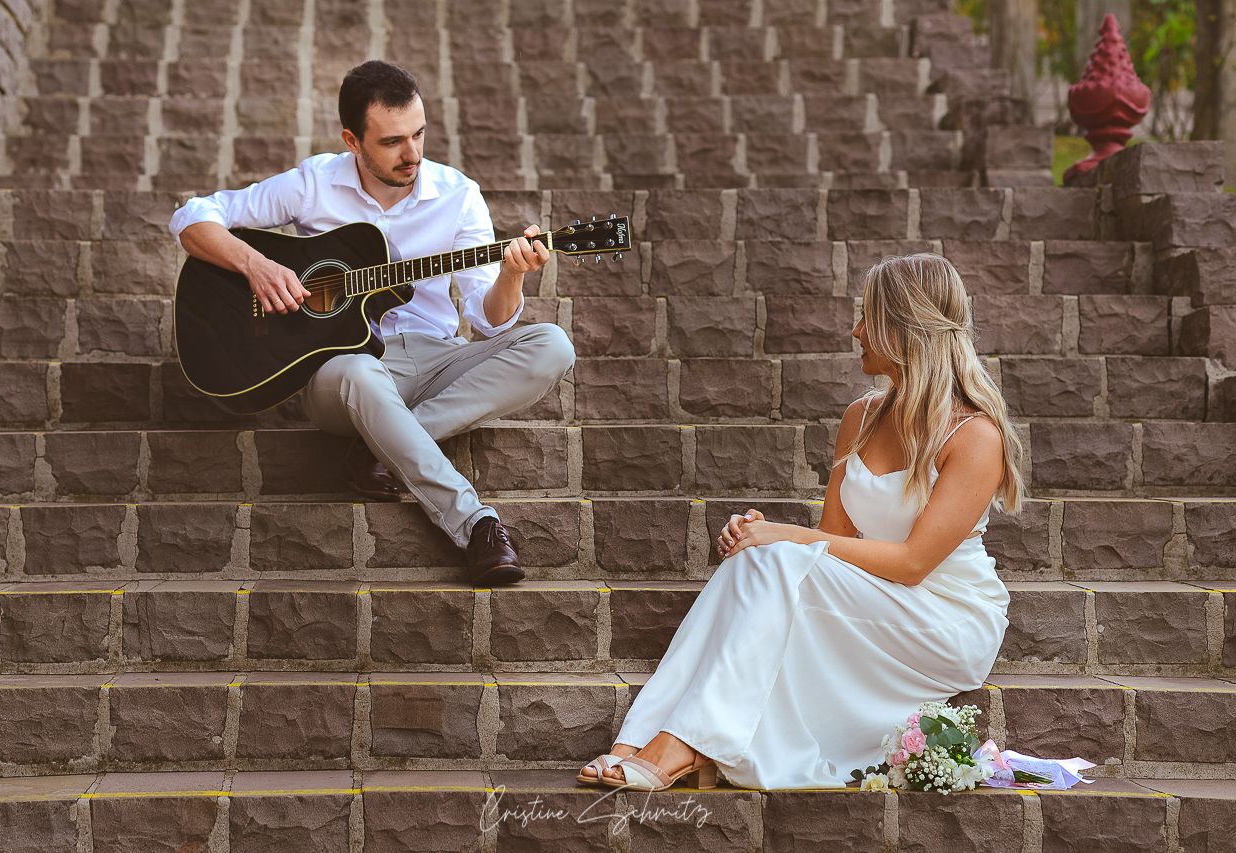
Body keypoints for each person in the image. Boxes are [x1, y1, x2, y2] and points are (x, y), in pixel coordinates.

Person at [579, 253, 1023, 791]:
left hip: (945, 619)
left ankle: (680, 744)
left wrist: (789, 538)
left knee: (780, 554)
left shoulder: (975, 436)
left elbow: (911, 565)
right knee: (762, 560)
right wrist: (764, 539)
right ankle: (643, 740)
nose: (855, 329)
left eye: (868, 317)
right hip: (876, 599)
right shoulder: (860, 417)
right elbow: (837, 541)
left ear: (906, 326)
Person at [169, 61, 574, 586]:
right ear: (352, 141)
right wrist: (257, 265)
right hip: (343, 371)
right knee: (362, 371)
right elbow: (195, 215)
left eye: (419, 135)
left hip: (434, 356)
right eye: (392, 142)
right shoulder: (315, 183)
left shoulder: (456, 194)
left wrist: (512, 277)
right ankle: (476, 522)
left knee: (552, 344)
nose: (413, 154)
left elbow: (488, 321)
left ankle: (386, 443)